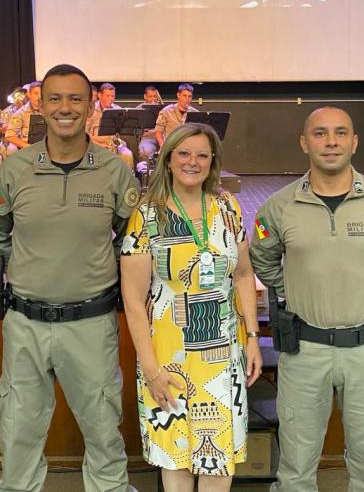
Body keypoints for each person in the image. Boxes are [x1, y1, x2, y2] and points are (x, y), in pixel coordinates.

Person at [250, 106, 364, 492]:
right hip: (303, 352)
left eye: (341, 133)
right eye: (320, 133)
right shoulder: (278, 207)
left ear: (354, 141)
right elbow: (262, 256)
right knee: (295, 468)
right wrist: (293, 290)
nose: (331, 141)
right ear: (304, 142)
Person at [0, 63, 140, 492]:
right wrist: (31, 264)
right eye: (55, 98)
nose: (64, 107)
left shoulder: (114, 170)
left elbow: (131, 238)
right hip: (25, 324)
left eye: (75, 99)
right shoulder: (13, 171)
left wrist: (92, 266)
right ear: (41, 105)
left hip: (90, 323)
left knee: (103, 425)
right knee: (17, 425)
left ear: (91, 107)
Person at [120, 123, 262, 488]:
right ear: (168, 160)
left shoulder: (228, 208)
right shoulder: (147, 216)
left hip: (222, 358)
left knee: (219, 464)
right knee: (177, 461)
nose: (192, 162)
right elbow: (134, 301)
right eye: (183, 153)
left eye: (202, 154)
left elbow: (244, 275)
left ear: (212, 161)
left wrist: (251, 337)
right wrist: (150, 368)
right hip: (167, 359)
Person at [86, 82, 135, 169]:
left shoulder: (118, 110)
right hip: (95, 144)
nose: (111, 99)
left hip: (113, 143)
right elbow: (84, 134)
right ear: (99, 96)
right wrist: (99, 144)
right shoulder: (90, 110)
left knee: (127, 154)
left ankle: (124, 180)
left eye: (112, 96)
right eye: (107, 96)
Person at [3, 81, 43, 154]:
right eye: (36, 93)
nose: (39, 97)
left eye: (42, 94)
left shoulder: (50, 110)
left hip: (46, 145)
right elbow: (9, 135)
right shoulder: (20, 113)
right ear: (29, 94)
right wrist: (26, 146)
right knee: (11, 150)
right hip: (28, 147)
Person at [155, 83, 198, 149]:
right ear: (178, 95)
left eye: (189, 96)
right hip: (170, 146)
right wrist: (162, 145)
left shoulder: (195, 113)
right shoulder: (166, 111)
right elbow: (158, 131)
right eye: (184, 96)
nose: (187, 99)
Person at [135, 85, 163, 165]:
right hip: (148, 137)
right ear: (145, 97)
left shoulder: (163, 109)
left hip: (163, 136)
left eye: (155, 96)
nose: (153, 99)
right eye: (150, 96)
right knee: (145, 151)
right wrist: (141, 129)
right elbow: (134, 128)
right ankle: (146, 175)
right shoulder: (139, 109)